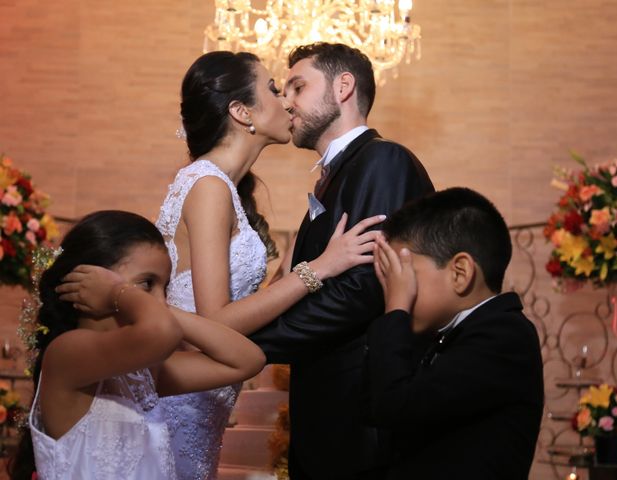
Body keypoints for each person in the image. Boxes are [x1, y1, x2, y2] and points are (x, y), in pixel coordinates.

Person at [156, 50, 386, 480]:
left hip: (205, 405)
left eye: (293, 88)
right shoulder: (207, 185)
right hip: (181, 405)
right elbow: (216, 321)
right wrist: (318, 268)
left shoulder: (223, 187)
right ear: (242, 112)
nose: (287, 102)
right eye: (275, 89)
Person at [248, 43, 435, 480]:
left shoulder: (383, 159)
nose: (286, 101)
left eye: (298, 86)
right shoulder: (338, 175)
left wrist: (256, 343)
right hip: (330, 410)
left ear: (344, 86)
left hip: (363, 416)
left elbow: (366, 286)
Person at [7, 210, 266, 480]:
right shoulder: (66, 353)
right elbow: (161, 332)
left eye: (164, 287)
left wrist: (148, 299)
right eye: (147, 283)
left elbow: (247, 359)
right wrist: (119, 293)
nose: (160, 300)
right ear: (91, 282)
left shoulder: (143, 373)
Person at [368, 187, 544, 480]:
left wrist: (397, 307)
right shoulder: (448, 333)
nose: (395, 288)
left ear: (460, 272)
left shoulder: (503, 336)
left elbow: (396, 406)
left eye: (405, 276)